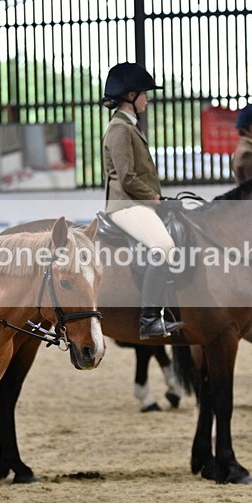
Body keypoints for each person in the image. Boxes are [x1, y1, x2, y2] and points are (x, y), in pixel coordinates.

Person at [100, 62, 184, 340]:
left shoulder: (130, 126)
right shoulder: (120, 129)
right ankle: (149, 319)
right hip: (126, 205)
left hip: (138, 203)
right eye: (145, 93)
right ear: (131, 95)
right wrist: (153, 197)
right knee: (163, 246)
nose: (148, 98)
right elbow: (127, 178)